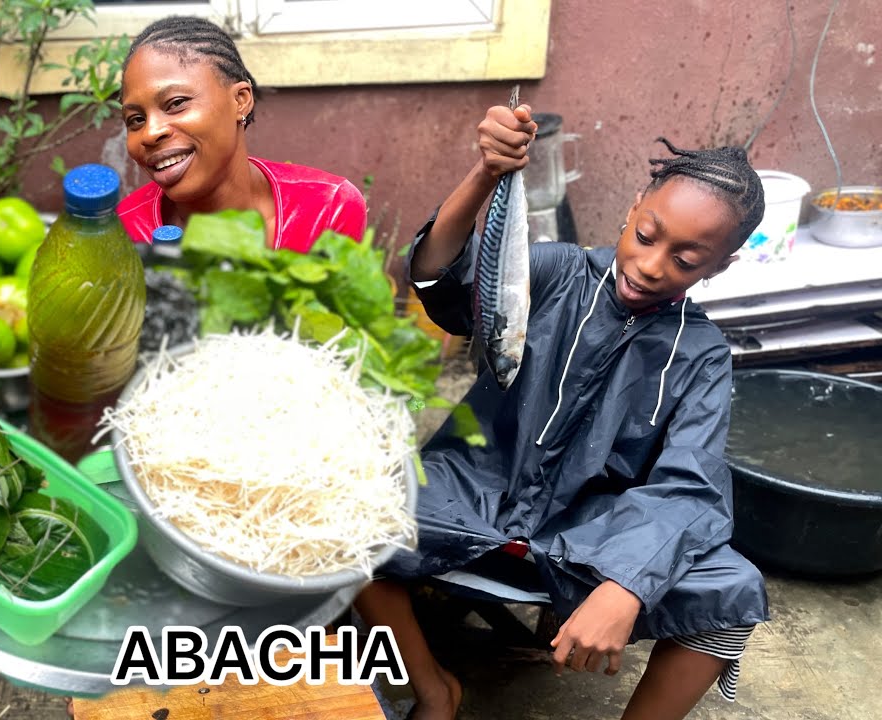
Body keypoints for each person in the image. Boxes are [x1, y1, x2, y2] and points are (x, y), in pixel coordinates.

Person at [355, 101, 770, 720]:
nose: (651, 266)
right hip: (472, 488)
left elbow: (691, 487)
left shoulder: (703, 354)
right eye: (648, 236)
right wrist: (488, 173)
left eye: (685, 260)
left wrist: (629, 581)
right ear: (633, 208)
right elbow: (441, 275)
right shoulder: (555, 272)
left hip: (594, 534)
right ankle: (434, 688)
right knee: (340, 512)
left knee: (732, 592)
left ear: (721, 266)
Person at [116, 16, 367, 251]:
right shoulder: (121, 236)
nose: (150, 132)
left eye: (176, 103)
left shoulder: (327, 208)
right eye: (136, 120)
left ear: (240, 100)